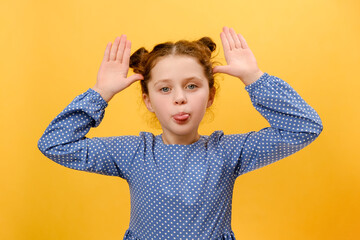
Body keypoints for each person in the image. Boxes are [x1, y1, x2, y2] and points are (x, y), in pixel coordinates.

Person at [38, 26, 323, 239]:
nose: (179, 99)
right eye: (165, 88)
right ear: (148, 100)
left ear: (210, 95)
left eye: (191, 86)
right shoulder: (134, 153)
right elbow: (54, 143)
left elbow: (304, 127)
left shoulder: (227, 152)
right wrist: (101, 93)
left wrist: (253, 77)